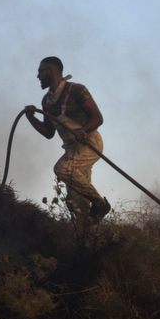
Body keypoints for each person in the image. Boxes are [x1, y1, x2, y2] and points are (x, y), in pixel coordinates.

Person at [23, 56, 112, 223]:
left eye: (40, 71)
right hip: (72, 149)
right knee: (76, 202)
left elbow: (98, 118)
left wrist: (84, 131)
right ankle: (87, 238)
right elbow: (49, 132)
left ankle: (101, 204)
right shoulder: (47, 101)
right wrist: (31, 118)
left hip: (89, 143)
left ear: (50, 71)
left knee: (62, 169)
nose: (37, 76)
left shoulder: (76, 90)